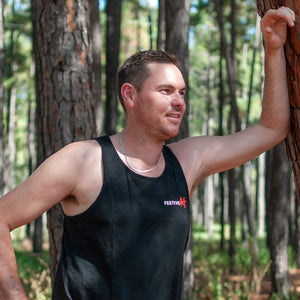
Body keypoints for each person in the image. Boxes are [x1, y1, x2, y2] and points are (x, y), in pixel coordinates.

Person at [0, 6, 295, 300]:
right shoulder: (84, 161)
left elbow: (271, 129)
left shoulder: (187, 161)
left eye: (182, 92)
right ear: (130, 95)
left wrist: (272, 48)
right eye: (166, 91)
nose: (179, 101)